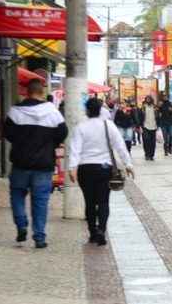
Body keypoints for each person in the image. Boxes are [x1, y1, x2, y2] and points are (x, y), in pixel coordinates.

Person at [4, 79, 68, 248]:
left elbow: (7, 134)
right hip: (44, 165)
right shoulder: (53, 113)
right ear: (41, 92)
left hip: (20, 164)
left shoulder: (15, 112)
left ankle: (21, 225)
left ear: (27, 92)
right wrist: (50, 144)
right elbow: (62, 134)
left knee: (17, 195)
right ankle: (39, 237)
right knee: (40, 202)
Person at [68, 98, 134, 246]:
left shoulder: (81, 127)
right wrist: (128, 164)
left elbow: (75, 149)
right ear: (100, 110)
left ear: (87, 111)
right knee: (104, 201)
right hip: (104, 168)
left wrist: (72, 167)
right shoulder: (108, 125)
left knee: (89, 202)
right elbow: (120, 146)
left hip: (85, 169)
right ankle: (101, 230)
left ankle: (92, 232)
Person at [139, 96, 161, 161]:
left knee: (152, 142)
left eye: (149, 99)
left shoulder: (155, 108)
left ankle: (151, 155)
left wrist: (158, 125)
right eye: (147, 99)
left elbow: (158, 117)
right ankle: (147, 154)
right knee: (146, 141)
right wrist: (139, 125)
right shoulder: (143, 107)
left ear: (151, 100)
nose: (148, 100)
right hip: (145, 126)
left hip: (153, 126)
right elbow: (140, 116)